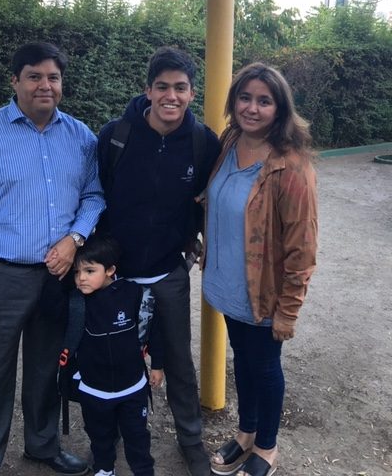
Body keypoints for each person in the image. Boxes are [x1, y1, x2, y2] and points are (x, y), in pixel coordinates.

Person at [0, 41, 105, 476]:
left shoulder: (81, 137)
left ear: (61, 83)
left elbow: (94, 195)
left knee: (47, 367)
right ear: (14, 81)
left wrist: (74, 238)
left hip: (57, 276)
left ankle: (43, 445)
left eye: (53, 77)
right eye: (34, 76)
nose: (45, 85)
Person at [97, 46, 221, 476]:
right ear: (147, 90)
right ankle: (110, 435)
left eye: (180, 88)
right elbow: (96, 195)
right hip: (118, 272)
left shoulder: (203, 143)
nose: (171, 96)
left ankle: (191, 440)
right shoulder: (116, 136)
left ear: (192, 93)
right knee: (114, 355)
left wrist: (199, 237)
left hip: (169, 270)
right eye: (163, 87)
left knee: (179, 363)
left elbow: (207, 198)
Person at [202, 62, 318, 476]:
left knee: (265, 367)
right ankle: (246, 432)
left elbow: (303, 248)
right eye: (245, 98)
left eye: (264, 101)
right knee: (243, 360)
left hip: (263, 293)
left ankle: (266, 447)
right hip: (228, 284)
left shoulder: (292, 166)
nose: (252, 108)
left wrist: (288, 310)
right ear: (234, 101)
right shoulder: (229, 140)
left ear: (280, 108)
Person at [72, 234, 164, 476]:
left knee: (137, 437)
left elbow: (154, 329)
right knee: (99, 436)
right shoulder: (75, 302)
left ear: (110, 270)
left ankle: (143, 471)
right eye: (77, 272)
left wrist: (157, 364)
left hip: (132, 387)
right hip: (93, 390)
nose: (81, 278)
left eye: (90, 271)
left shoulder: (134, 293)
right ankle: (104, 469)